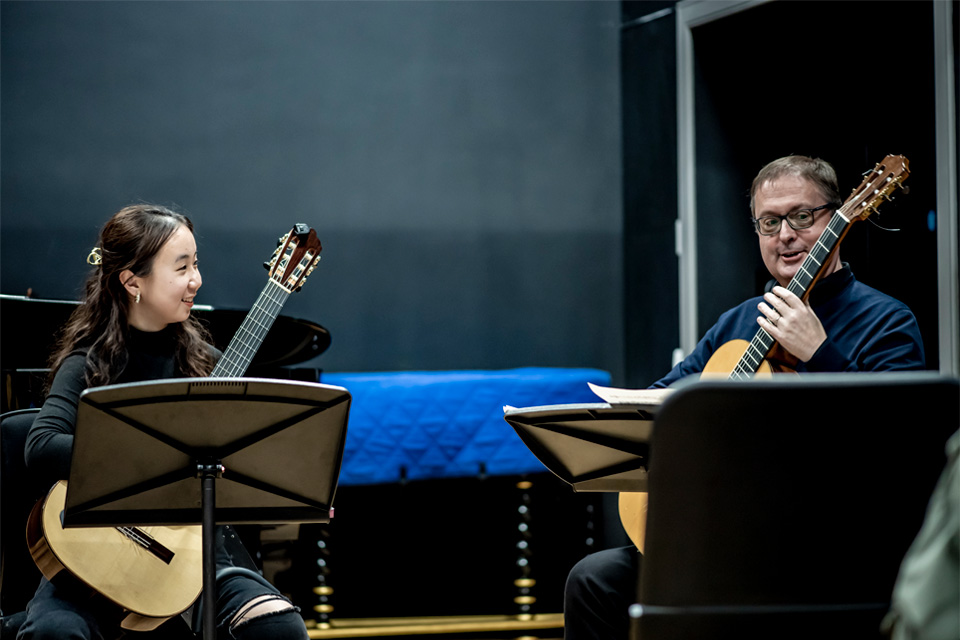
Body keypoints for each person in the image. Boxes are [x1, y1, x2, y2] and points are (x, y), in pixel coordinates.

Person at [563, 155, 926, 640]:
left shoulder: (888, 322)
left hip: (825, 543)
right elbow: (661, 400)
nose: (785, 236)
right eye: (769, 222)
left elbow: (900, 442)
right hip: (723, 535)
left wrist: (818, 352)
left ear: (840, 217)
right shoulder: (739, 323)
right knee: (594, 579)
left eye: (802, 216)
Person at [19, 205, 310, 640]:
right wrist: (151, 452)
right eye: (181, 267)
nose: (196, 279)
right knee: (55, 634)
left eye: (196, 264)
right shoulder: (88, 365)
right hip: (99, 545)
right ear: (132, 280)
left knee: (279, 629)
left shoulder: (207, 366)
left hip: (194, 555)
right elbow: (41, 448)